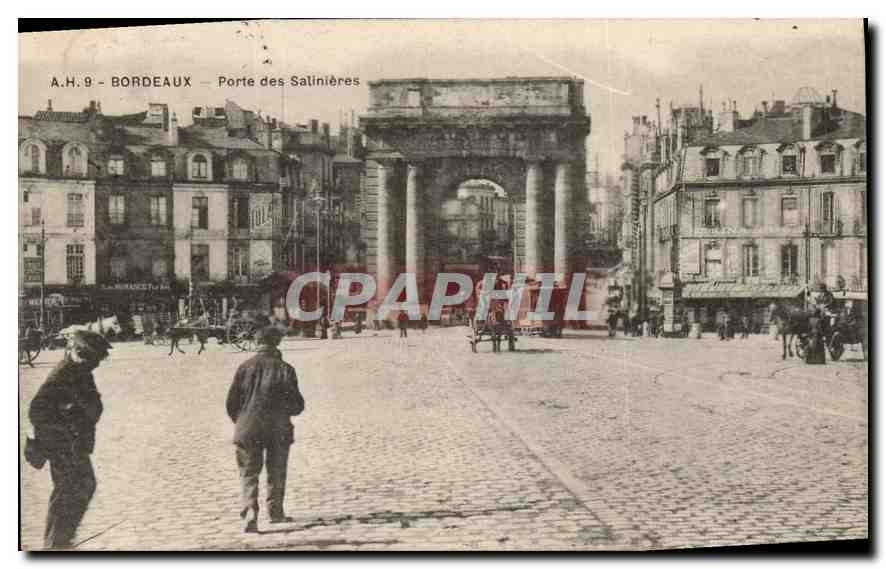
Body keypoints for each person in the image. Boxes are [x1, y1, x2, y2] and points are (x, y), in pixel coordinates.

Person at [28, 330, 111, 549]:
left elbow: (91, 403)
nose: (97, 364)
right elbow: (37, 410)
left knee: (81, 486)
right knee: (70, 488)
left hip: (74, 444)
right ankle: (56, 544)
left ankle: (61, 539)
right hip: (63, 445)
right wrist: (65, 431)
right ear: (81, 353)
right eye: (95, 359)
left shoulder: (80, 371)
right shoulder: (63, 374)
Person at [226, 326, 305, 533]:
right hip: (277, 429)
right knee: (277, 471)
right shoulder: (286, 369)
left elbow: (231, 403)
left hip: (248, 428)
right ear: (277, 342)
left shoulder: (244, 367)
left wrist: (242, 421)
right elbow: (297, 405)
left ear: (257, 342)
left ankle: (250, 514)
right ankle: (276, 512)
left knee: (248, 473)